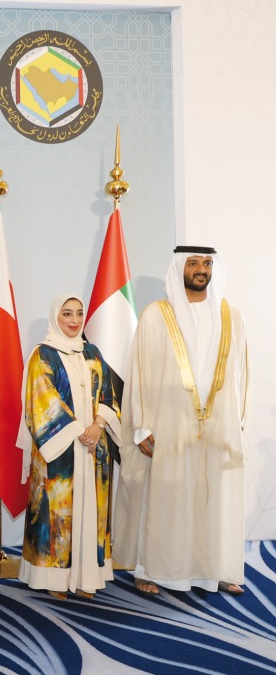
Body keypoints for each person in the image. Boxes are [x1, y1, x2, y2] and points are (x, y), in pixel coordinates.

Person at [115, 246, 249, 596]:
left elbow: (240, 374)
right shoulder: (156, 315)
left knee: (212, 497)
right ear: (179, 269)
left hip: (217, 424)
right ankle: (150, 568)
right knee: (164, 495)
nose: (200, 269)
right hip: (168, 423)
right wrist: (142, 424)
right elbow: (140, 371)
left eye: (206, 263)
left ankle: (213, 569)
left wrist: (238, 422)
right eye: (193, 263)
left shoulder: (231, 316)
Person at [19, 294, 121, 599]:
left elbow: (108, 394)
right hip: (60, 451)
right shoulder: (43, 354)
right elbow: (41, 401)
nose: (74, 320)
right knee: (57, 515)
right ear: (55, 317)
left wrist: (97, 427)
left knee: (92, 511)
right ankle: (55, 579)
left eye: (79, 313)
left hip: (92, 449)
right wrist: (79, 431)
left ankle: (87, 576)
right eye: (67, 314)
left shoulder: (92, 352)